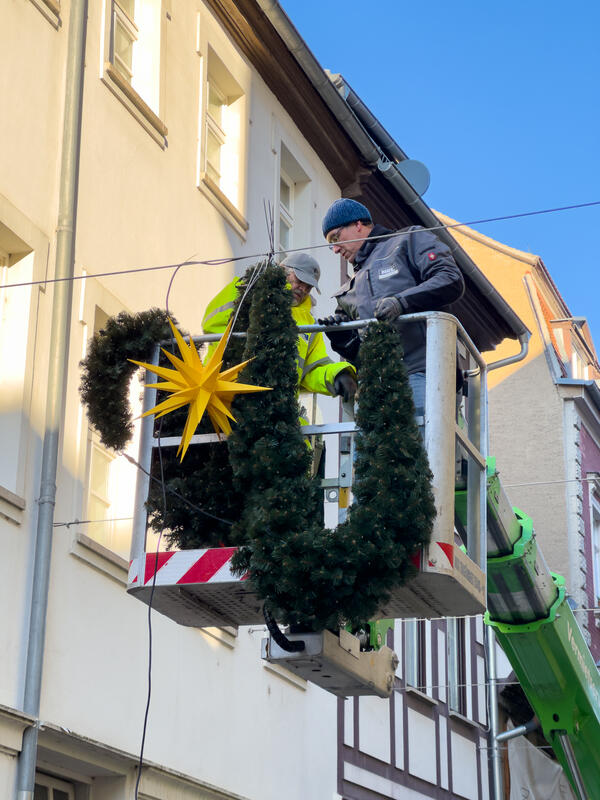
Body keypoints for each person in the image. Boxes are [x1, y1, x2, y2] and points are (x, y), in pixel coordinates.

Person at [319, 198, 465, 422]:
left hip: (423, 373)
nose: (335, 249)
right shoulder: (349, 290)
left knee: (424, 451)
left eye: (336, 238)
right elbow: (361, 355)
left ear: (358, 224)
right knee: (370, 456)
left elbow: (449, 279)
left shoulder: (408, 240)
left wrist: (401, 302)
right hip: (374, 386)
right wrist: (343, 341)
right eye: (331, 244)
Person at [202, 252, 358, 412]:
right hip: (223, 396)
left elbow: (312, 369)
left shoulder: (309, 324)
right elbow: (212, 322)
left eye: (309, 286)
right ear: (283, 270)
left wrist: (338, 375)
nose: (303, 289)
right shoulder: (246, 287)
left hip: (276, 408)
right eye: (300, 280)